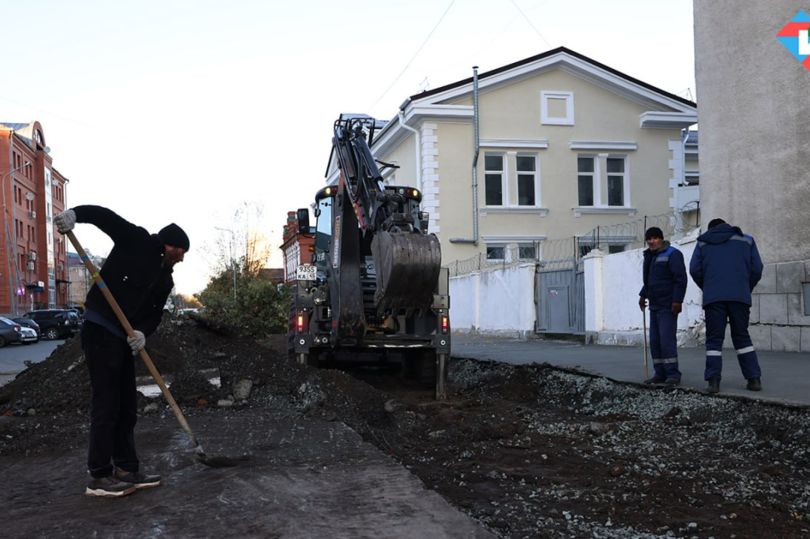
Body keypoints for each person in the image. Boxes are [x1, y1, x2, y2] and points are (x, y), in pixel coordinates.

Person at [54, 206, 189, 497]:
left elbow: (154, 315)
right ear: (171, 245)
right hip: (100, 328)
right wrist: (75, 215)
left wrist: (142, 333)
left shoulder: (165, 280)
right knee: (107, 404)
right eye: (181, 252)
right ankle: (99, 475)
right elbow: (105, 217)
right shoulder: (136, 240)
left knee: (127, 405)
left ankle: (126, 469)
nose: (182, 259)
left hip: (123, 339)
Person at [689, 218, 763, 394]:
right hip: (739, 297)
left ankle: (713, 382)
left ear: (711, 230)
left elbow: (694, 270)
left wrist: (708, 287)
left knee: (714, 339)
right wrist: (745, 287)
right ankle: (754, 379)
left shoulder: (703, 243)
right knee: (742, 337)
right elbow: (757, 269)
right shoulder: (746, 240)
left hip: (714, 299)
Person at [638, 227, 688, 385]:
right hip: (654, 305)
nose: (651, 241)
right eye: (649, 239)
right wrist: (643, 295)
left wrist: (677, 300)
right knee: (655, 341)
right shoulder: (649, 256)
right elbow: (650, 280)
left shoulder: (673, 254)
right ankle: (659, 373)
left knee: (666, 340)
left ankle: (673, 374)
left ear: (661, 239)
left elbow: (680, 279)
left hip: (668, 305)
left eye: (655, 238)